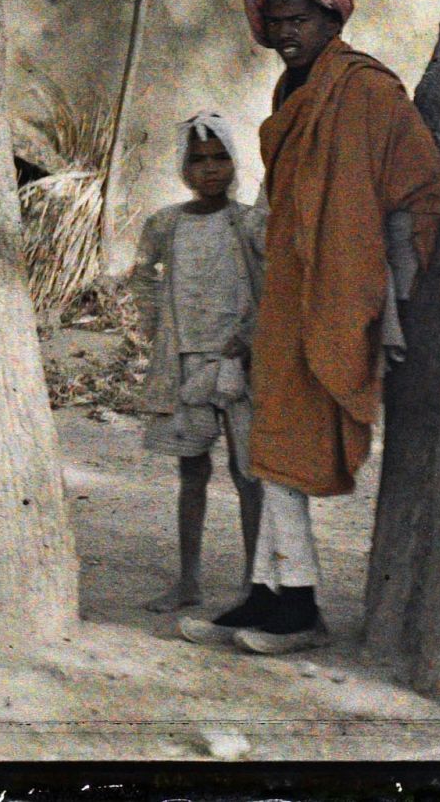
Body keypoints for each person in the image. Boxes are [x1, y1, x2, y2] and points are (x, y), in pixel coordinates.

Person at [181, 0, 440, 655]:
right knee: (271, 443)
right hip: (289, 286)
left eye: (299, 18)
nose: (286, 33)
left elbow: (420, 184)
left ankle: (296, 606)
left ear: (333, 14)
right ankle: (272, 595)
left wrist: (389, 286)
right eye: (276, 21)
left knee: (286, 444)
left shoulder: (366, 89)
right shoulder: (291, 90)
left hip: (337, 286)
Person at [131, 111, 266, 614]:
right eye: (199, 161)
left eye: (219, 158)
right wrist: (157, 329)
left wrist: (251, 337)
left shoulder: (249, 221)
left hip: (238, 365)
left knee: (247, 471)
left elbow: (274, 283)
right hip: (186, 361)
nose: (210, 169)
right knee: (192, 471)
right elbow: (142, 275)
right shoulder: (165, 223)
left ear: (232, 163)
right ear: (184, 168)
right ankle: (188, 581)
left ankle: (254, 586)